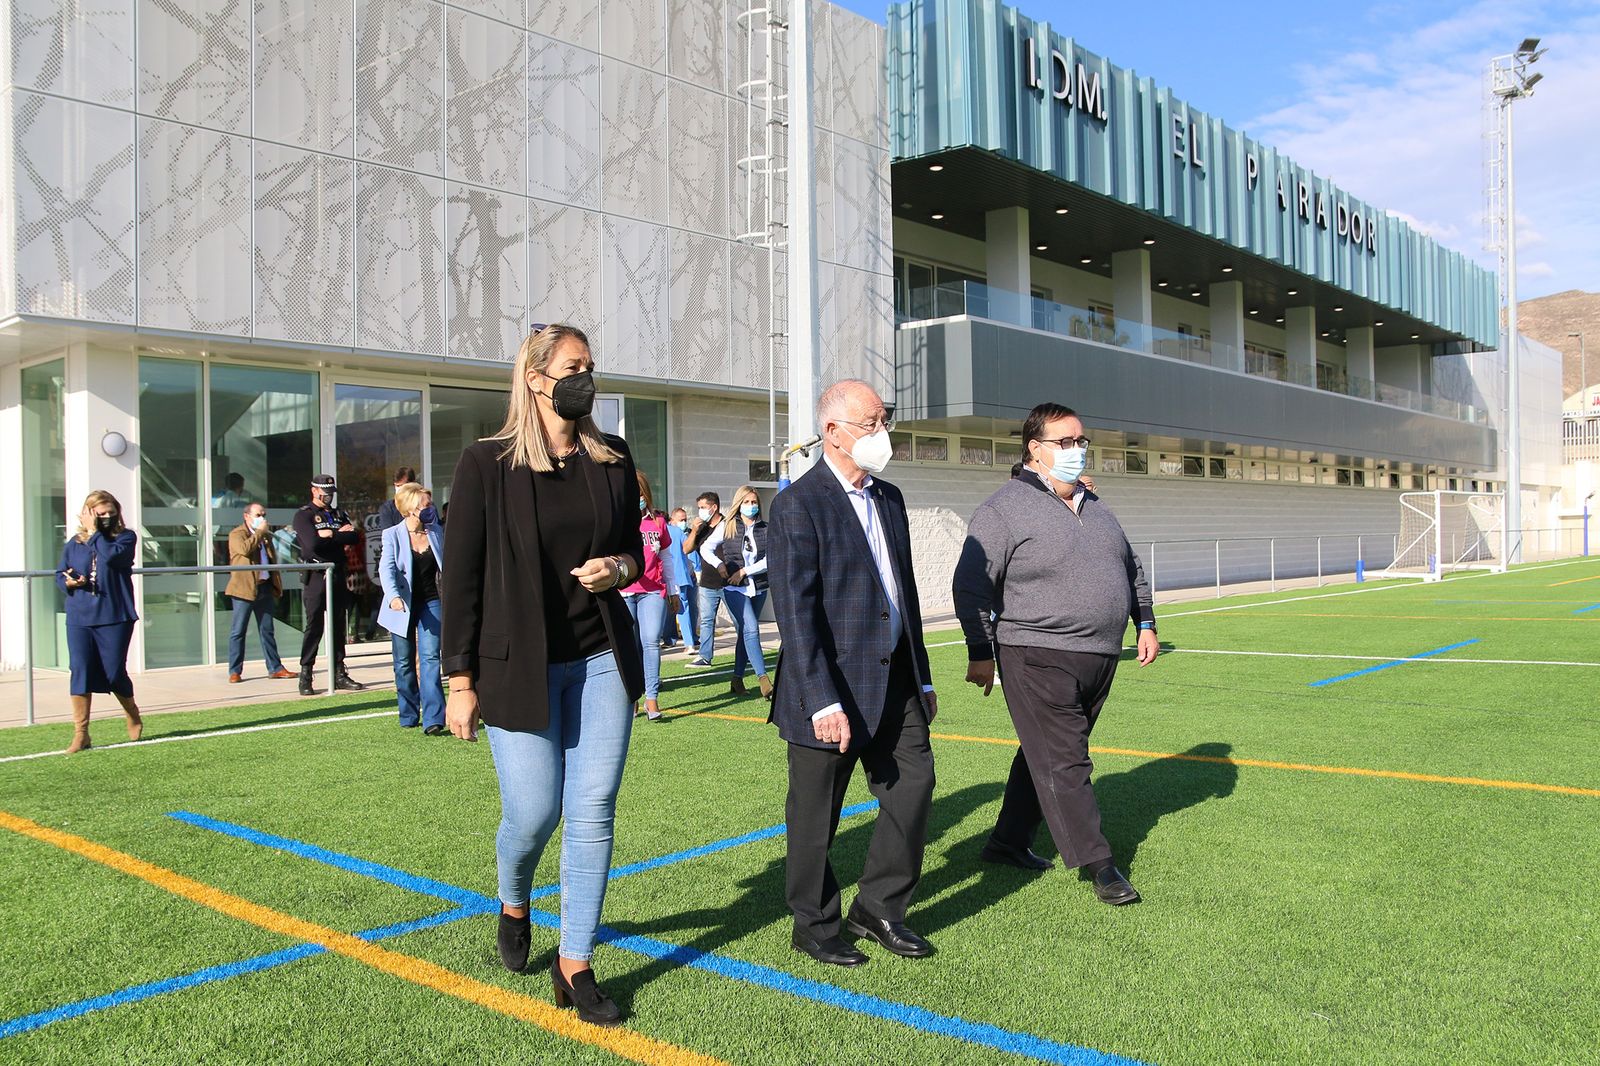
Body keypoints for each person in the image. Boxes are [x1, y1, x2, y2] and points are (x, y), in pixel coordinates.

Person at [441, 322, 646, 1027]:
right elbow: (459, 578)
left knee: (592, 810)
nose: (586, 376)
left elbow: (634, 557)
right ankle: (514, 896)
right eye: (573, 366)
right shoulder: (485, 463)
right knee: (533, 814)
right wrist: (458, 681)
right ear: (535, 378)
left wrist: (615, 569)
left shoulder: (613, 457)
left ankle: (576, 962)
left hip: (599, 661)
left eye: (591, 364)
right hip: (515, 666)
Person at [952, 402, 1159, 906]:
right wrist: (980, 650)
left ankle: (1007, 841)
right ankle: (1100, 863)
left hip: (1100, 654)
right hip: (1034, 652)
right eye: (1065, 443)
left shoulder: (1095, 505)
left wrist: (1145, 621)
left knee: (1045, 752)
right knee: (1067, 759)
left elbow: (1130, 567)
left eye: (1080, 441)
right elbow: (971, 583)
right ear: (1035, 449)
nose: (1076, 450)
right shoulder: (1003, 508)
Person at [768, 379, 938, 967]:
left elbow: (904, 591)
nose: (882, 433)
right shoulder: (797, 503)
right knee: (817, 815)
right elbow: (796, 612)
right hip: (829, 688)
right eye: (870, 423)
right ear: (833, 432)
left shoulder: (888, 498)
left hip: (896, 680)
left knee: (913, 788)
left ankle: (880, 907)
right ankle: (814, 924)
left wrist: (924, 676)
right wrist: (820, 699)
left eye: (884, 420)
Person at [56, 491, 143, 754]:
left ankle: (132, 713)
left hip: (115, 614)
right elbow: (61, 572)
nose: (106, 517)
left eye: (110, 512)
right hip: (80, 616)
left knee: (114, 672)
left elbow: (113, 558)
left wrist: (96, 532)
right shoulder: (74, 542)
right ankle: (81, 733)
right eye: (99, 513)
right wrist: (68, 582)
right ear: (88, 513)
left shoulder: (125, 538)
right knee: (80, 670)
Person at [379, 482, 447, 734]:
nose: (431, 509)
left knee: (430, 658)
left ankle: (434, 719)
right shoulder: (392, 534)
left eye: (430, 504)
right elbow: (386, 569)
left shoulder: (435, 532)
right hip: (402, 605)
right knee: (404, 662)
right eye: (425, 505)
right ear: (410, 509)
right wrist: (393, 596)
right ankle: (408, 713)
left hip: (432, 601)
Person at [293, 474, 367, 695]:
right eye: (325, 493)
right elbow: (312, 545)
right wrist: (337, 535)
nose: (328, 497)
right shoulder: (304, 515)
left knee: (337, 626)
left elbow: (353, 537)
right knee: (314, 626)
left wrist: (330, 534)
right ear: (314, 490)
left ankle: (338, 673)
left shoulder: (337, 514)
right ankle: (306, 674)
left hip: (337, 574)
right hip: (316, 575)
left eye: (331, 493)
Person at [698, 485, 771, 699]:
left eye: (754, 502)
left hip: (757, 587)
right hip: (733, 588)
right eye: (746, 502)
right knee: (751, 628)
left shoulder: (766, 528)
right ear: (739, 504)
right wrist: (720, 565)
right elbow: (705, 548)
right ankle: (763, 679)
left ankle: (737, 679)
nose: (751, 506)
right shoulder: (727, 526)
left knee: (745, 635)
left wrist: (745, 571)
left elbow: (770, 559)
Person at [621, 473, 679, 721]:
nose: (638, 499)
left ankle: (652, 698)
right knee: (628, 646)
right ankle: (631, 696)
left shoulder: (658, 523)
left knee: (651, 640)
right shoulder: (619, 522)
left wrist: (673, 590)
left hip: (653, 591)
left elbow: (666, 558)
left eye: (641, 493)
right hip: (623, 592)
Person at [225, 502, 296, 683]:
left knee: (267, 630)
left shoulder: (264, 536)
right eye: (258, 515)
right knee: (238, 631)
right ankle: (234, 670)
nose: (262, 518)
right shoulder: (237, 534)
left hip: (264, 587)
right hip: (244, 589)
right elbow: (243, 550)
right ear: (247, 516)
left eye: (263, 514)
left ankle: (275, 668)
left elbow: (270, 558)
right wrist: (259, 533)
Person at [683, 491, 725, 667]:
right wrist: (694, 530)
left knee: (740, 621)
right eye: (698, 507)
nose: (700, 511)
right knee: (707, 621)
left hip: (727, 582)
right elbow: (686, 549)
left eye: (703, 507)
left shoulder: (727, 525)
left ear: (714, 507)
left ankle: (745, 653)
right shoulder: (702, 528)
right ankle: (705, 656)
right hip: (707, 583)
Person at [663, 506, 698, 649]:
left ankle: (685, 642)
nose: (684, 522)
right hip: (681, 576)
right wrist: (697, 568)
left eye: (685, 520)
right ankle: (686, 641)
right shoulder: (679, 532)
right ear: (671, 520)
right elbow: (690, 551)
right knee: (683, 608)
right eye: (681, 520)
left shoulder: (664, 532)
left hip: (669, 577)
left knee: (675, 608)